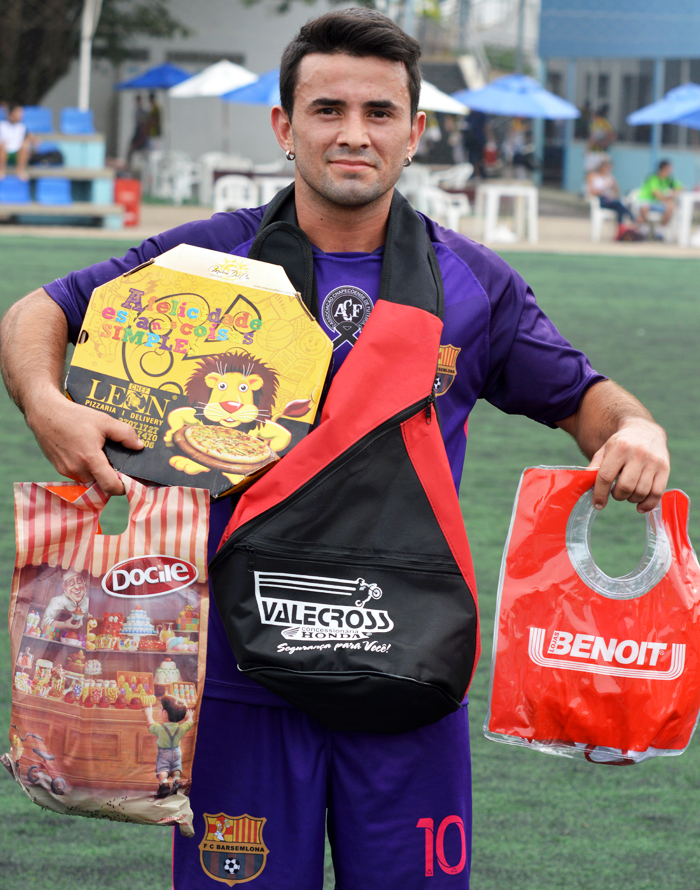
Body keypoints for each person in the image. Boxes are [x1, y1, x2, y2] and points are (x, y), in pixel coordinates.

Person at [0, 9, 670, 889]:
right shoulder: (207, 257)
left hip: (412, 670)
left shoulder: (470, 282)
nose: (353, 134)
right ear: (285, 126)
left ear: (414, 132)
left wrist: (637, 430)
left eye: (379, 112)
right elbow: (40, 311)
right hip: (239, 677)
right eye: (327, 110)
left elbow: (589, 401)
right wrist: (52, 407)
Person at [144, 695, 194, 798]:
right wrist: (190, 717)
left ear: (165, 714)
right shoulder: (181, 729)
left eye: (161, 709)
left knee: (163, 769)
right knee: (176, 767)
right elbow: (189, 724)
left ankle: (164, 782)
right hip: (176, 752)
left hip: (164, 753)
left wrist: (149, 715)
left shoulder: (160, 729)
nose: (160, 710)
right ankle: (176, 779)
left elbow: (150, 725)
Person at [585, 157, 640, 240]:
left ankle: (621, 229)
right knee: (619, 205)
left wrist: (613, 186)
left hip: (610, 200)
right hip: (601, 200)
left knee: (620, 206)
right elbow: (591, 192)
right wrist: (604, 187)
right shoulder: (593, 176)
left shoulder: (610, 177)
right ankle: (631, 220)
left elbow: (617, 192)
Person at [638, 159, 683, 234]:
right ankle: (644, 227)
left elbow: (681, 188)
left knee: (671, 206)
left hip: (659, 204)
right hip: (648, 201)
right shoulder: (653, 178)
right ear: (664, 168)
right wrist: (667, 199)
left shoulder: (670, 179)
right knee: (644, 207)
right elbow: (656, 193)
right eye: (670, 168)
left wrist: (672, 193)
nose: (671, 170)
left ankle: (661, 229)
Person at [0, 104, 37, 180]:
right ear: (11, 113)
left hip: (17, 153)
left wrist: (30, 141)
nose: (21, 115)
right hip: (3, 152)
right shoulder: (2, 125)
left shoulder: (22, 126)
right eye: (18, 112)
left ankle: (20, 170)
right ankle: (1, 170)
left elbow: (33, 138)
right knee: (2, 145)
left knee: (25, 145)